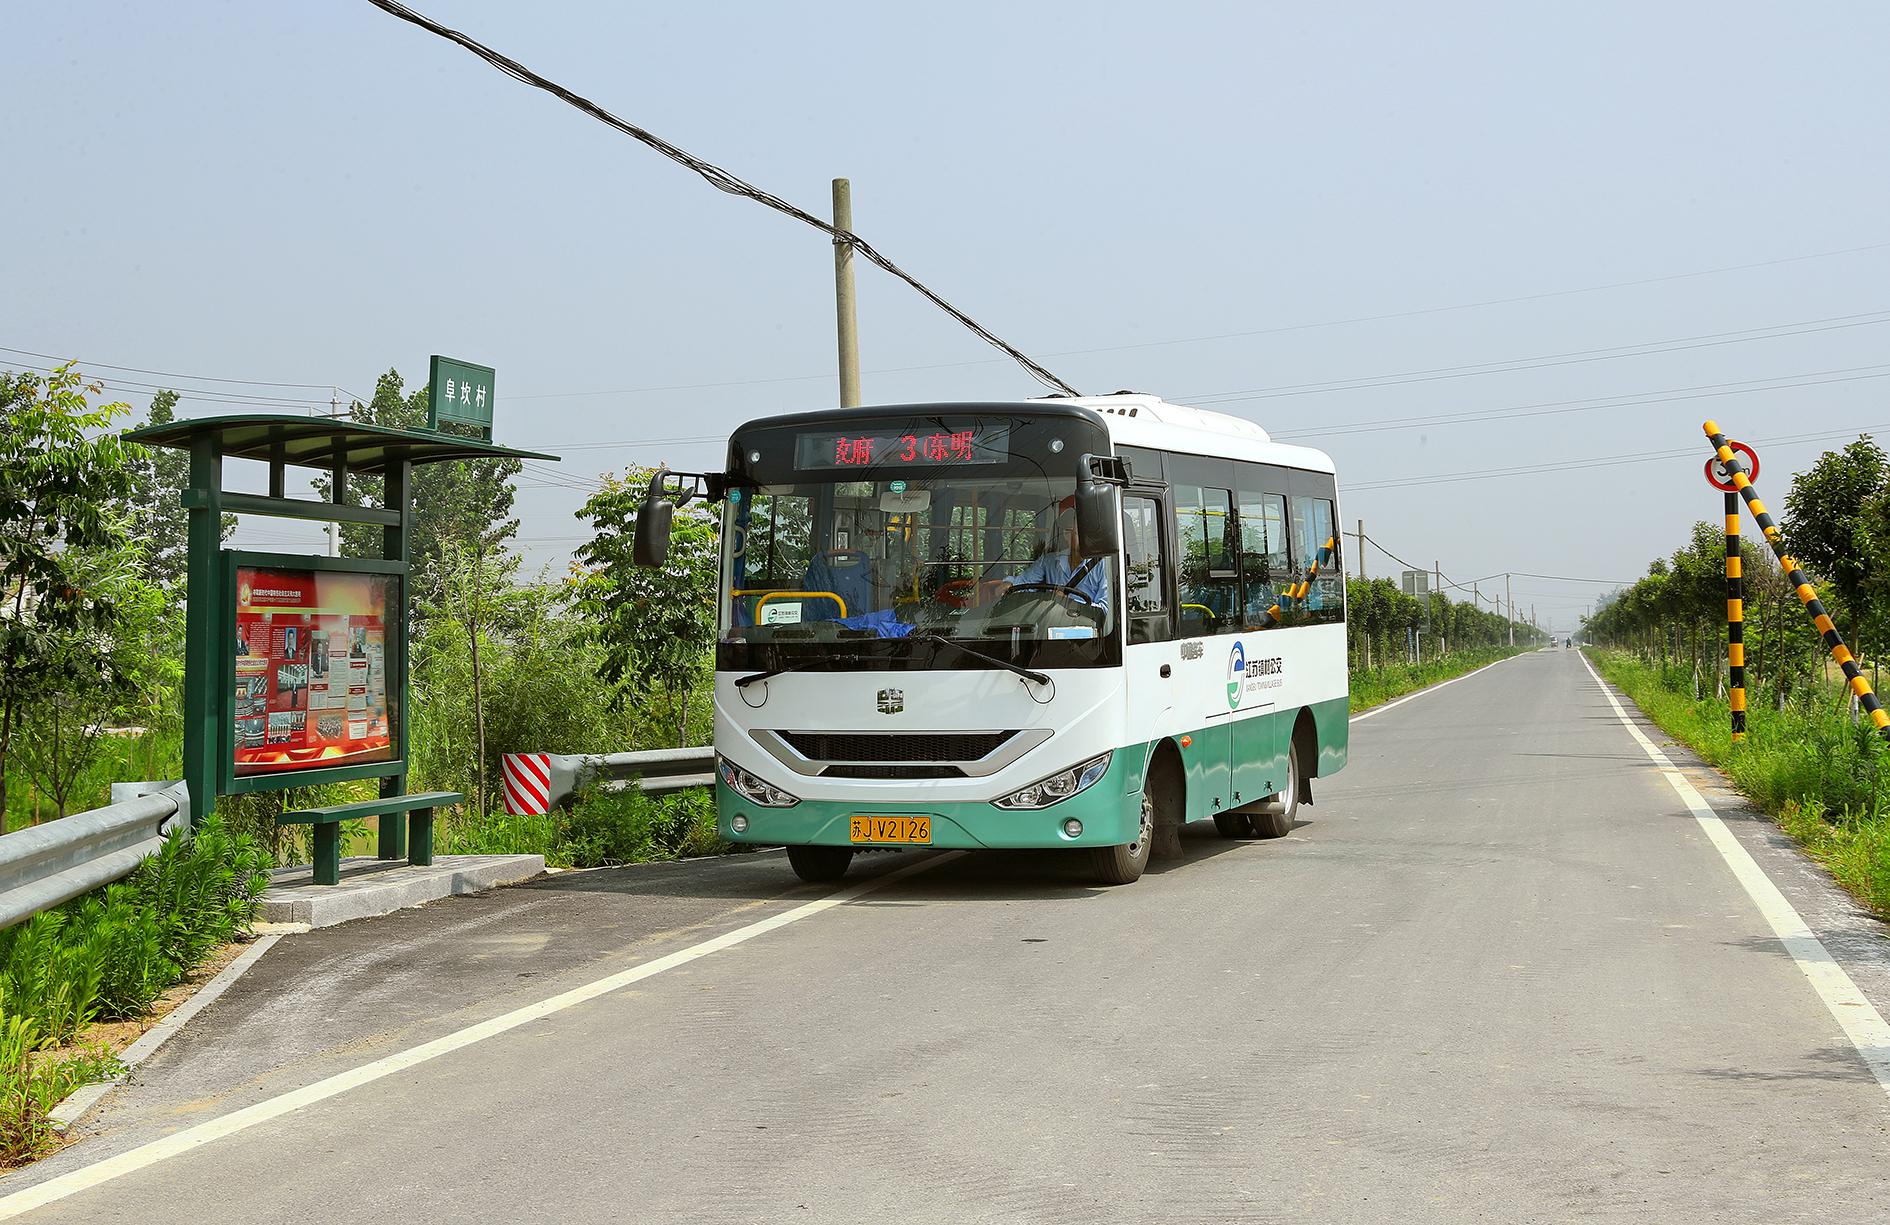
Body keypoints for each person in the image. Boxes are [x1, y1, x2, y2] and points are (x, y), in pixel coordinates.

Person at [1001, 505, 1110, 612]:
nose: (1072, 536)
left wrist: (1071, 603)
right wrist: (1009, 584)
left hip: (1086, 622)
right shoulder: (1049, 561)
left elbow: (1104, 609)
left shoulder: (1102, 565)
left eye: (1076, 531)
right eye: (1067, 531)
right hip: (1050, 620)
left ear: (1087, 533)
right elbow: (1024, 582)